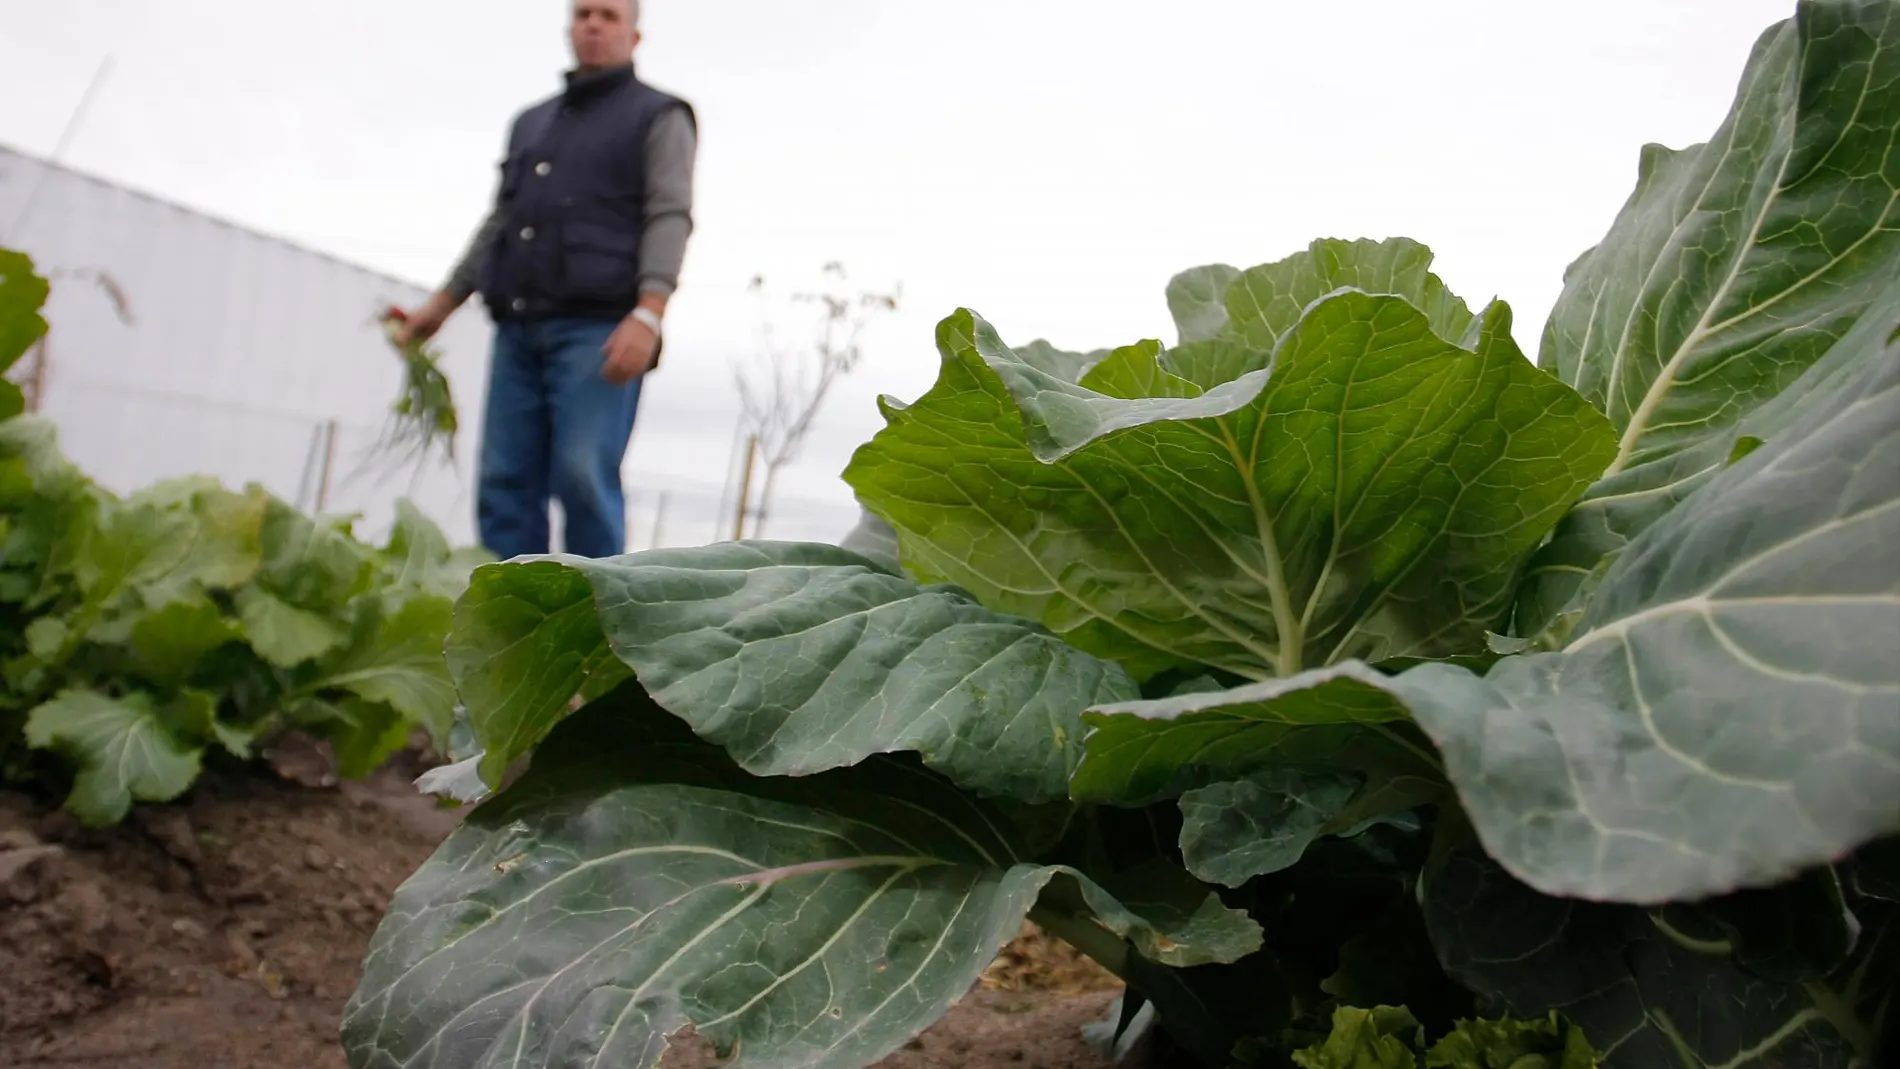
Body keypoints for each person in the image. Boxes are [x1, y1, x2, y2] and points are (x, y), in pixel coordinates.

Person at [394, 0, 695, 560]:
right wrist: (441, 305)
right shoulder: (533, 123)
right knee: (504, 481)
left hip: (600, 330)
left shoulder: (659, 116)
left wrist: (649, 313)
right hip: (518, 329)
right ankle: (511, 624)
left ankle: (599, 621)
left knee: (582, 477)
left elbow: (670, 214)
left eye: (608, 15)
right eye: (583, 14)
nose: (593, 25)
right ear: (569, 27)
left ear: (634, 36)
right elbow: (501, 221)